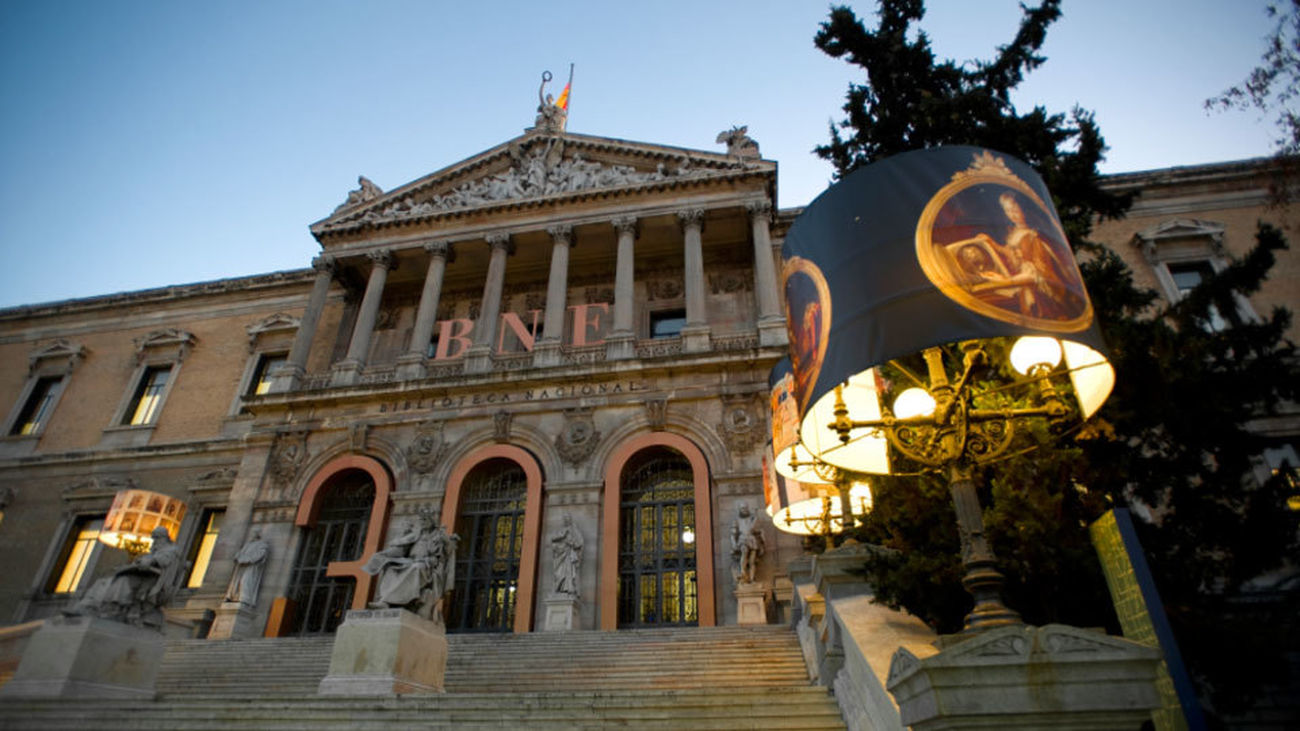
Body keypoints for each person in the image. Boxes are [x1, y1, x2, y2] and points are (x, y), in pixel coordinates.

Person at [66, 526, 185, 628]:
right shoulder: (156, 550)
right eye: (154, 538)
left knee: (122, 581)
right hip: (142, 576)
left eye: (156, 538)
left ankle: (113, 609)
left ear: (163, 538)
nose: (154, 541)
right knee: (105, 581)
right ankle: (88, 606)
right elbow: (148, 560)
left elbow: (162, 561)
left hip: (153, 581)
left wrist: (149, 561)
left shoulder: (172, 550)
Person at [363, 512, 458, 623]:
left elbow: (448, 551)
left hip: (426, 565)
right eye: (421, 520)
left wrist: (447, 540)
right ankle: (385, 601)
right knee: (391, 569)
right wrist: (384, 555)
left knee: (415, 568)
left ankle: (388, 601)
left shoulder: (438, 536)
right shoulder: (415, 535)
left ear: (431, 522)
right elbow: (400, 549)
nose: (422, 522)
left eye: (425, 520)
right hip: (409, 561)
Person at [224, 530, 270, 606]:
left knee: (245, 581)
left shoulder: (262, 544)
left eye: (253, 534)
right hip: (241, 567)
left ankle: (244, 598)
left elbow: (260, 555)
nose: (251, 536)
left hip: (250, 567)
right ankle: (233, 596)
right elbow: (239, 553)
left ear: (257, 535)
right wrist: (238, 558)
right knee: (236, 583)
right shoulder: (247, 545)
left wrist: (248, 560)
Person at [730, 502, 765, 585]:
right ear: (740, 510)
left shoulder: (752, 519)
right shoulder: (737, 520)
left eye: (745, 508)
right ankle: (743, 574)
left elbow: (757, 530)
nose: (744, 510)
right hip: (743, 539)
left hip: (752, 539)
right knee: (744, 553)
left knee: (752, 561)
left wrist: (762, 537)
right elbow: (733, 534)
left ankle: (752, 578)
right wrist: (734, 544)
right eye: (742, 508)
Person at [549, 515, 583, 597]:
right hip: (561, 554)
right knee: (560, 572)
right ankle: (560, 588)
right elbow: (553, 538)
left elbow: (579, 543)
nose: (566, 521)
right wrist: (563, 535)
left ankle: (569, 588)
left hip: (569, 554)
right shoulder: (561, 530)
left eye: (567, 519)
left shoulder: (574, 530)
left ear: (570, 520)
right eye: (565, 519)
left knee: (569, 572)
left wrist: (572, 543)